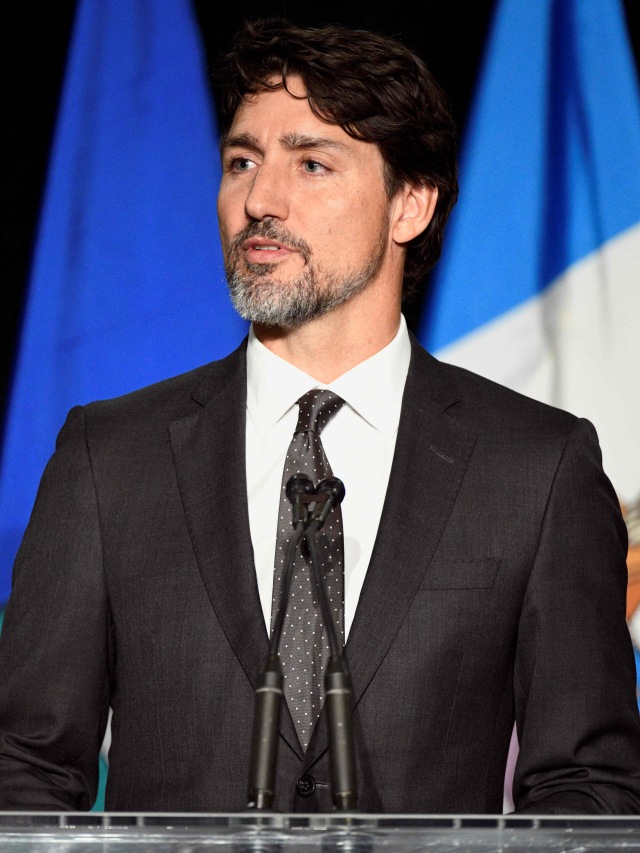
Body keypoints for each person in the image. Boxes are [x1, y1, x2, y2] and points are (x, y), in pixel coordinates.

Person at [0, 18, 639, 815]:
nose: (260, 200)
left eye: (311, 163)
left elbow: (588, 791)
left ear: (410, 204)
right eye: (242, 162)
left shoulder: (538, 468)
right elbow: (22, 770)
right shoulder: (107, 457)